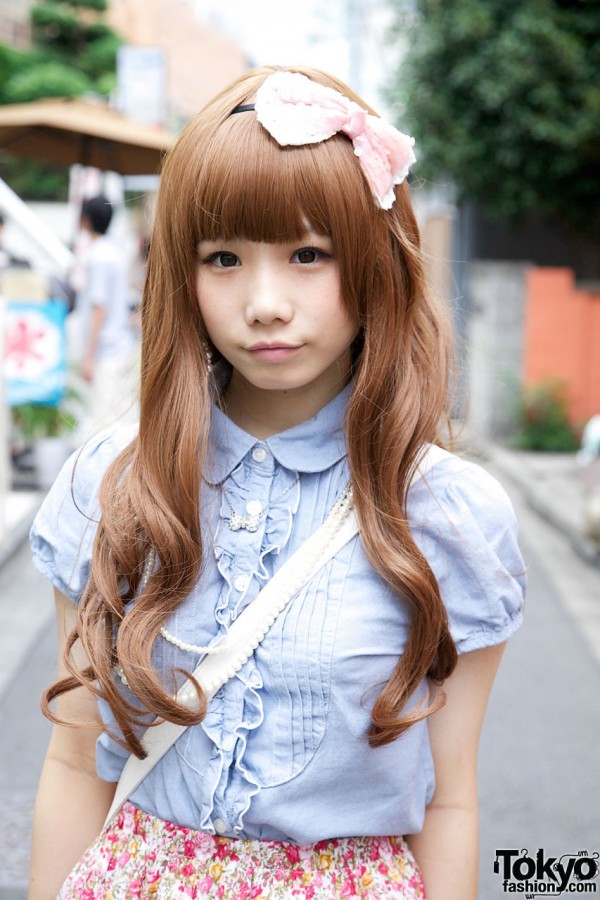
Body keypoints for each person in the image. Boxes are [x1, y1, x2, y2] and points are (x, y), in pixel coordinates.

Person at [28, 65, 526, 899]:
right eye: (223, 256)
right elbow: (79, 761)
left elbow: (448, 803)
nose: (263, 303)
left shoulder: (448, 513)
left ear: (374, 262)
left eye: (307, 254)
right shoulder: (111, 484)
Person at [74, 194, 137, 435]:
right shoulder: (115, 253)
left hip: (107, 349)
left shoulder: (97, 256)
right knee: (118, 418)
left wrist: (89, 356)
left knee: (106, 425)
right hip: (121, 344)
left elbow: (99, 307)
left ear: (85, 219)